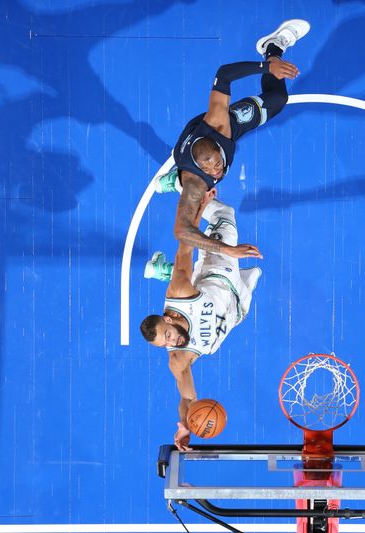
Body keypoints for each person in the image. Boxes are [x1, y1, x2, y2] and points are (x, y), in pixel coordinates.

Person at [152, 19, 310, 260]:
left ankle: (273, 47)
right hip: (188, 164)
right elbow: (181, 231)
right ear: (200, 168)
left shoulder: (220, 123)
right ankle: (176, 180)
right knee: (191, 199)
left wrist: (267, 68)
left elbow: (223, 74)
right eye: (212, 168)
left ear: (218, 146)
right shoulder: (197, 181)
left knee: (277, 99)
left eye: (218, 163)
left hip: (224, 129)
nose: (217, 170)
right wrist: (227, 250)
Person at [140, 191, 261, 450]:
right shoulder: (178, 359)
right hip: (237, 308)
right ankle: (163, 270)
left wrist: (198, 204)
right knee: (249, 278)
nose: (173, 343)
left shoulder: (180, 294)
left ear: (168, 318)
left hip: (219, 270)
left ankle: (183, 182)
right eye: (165, 344)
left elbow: (185, 241)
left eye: (168, 335)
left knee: (224, 213)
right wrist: (185, 425)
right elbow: (188, 397)